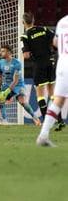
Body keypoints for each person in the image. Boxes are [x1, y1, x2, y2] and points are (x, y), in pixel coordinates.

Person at [21, 12, 65, 130]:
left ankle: (47, 123)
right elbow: (55, 41)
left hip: (39, 64)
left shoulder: (25, 36)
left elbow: (26, 56)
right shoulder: (44, 29)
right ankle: (60, 121)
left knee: (40, 95)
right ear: (34, 20)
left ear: (23, 22)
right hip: (50, 62)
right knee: (52, 93)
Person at [37, 15, 68, 147]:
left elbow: (55, 42)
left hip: (61, 65)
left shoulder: (62, 21)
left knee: (58, 101)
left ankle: (43, 136)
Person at [0, 44, 41, 126]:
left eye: (3, 51)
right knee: (0, 99)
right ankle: (4, 120)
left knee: (22, 102)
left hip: (18, 85)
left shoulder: (17, 63)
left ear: (9, 52)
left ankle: (36, 119)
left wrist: (7, 92)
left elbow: (16, 80)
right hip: (7, 84)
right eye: (1, 51)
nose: (0, 53)